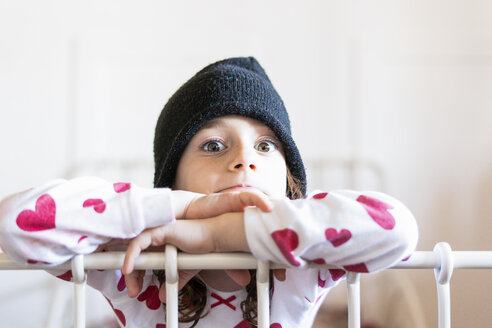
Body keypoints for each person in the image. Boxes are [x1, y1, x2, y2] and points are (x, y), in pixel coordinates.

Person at [0, 57, 418, 328]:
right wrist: (183, 209)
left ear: (289, 184)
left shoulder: (298, 265)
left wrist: (219, 235)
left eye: (266, 146)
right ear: (172, 181)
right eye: (214, 145)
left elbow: (398, 230)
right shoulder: (137, 266)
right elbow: (16, 224)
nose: (245, 161)